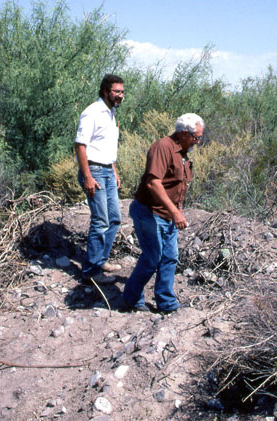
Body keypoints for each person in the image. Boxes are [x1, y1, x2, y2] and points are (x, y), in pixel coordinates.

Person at [122, 113, 204, 313]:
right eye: (196, 138)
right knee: (153, 257)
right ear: (184, 133)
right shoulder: (163, 147)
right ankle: (131, 298)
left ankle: (166, 303)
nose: (198, 142)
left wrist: (177, 210)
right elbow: (153, 182)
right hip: (149, 212)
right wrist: (175, 213)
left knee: (169, 257)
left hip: (167, 214)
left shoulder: (183, 151)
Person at [75, 74, 125, 285]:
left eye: (122, 92)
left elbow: (105, 145)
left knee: (114, 218)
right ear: (105, 91)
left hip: (106, 169)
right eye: (116, 92)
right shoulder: (92, 112)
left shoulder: (110, 112)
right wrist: (87, 176)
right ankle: (90, 271)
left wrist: (114, 169)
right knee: (101, 220)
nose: (121, 96)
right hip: (94, 171)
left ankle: (100, 260)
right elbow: (80, 145)